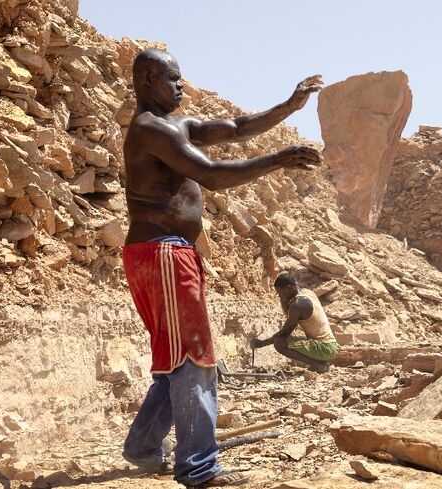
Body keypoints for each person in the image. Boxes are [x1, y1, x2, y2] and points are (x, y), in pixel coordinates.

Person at [120, 48, 322, 488]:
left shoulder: (174, 125)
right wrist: (278, 159)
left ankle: (143, 447)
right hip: (163, 253)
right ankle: (198, 468)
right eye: (173, 79)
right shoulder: (151, 128)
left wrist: (289, 106)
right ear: (149, 79)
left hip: (161, 253)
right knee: (195, 359)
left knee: (177, 358)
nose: (181, 86)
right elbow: (211, 174)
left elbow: (236, 128)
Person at [250, 273, 338, 373]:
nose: (279, 296)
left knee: (279, 343)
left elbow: (285, 333)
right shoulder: (307, 293)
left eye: (280, 292)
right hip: (330, 345)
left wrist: (261, 344)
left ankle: (318, 365)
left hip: (324, 348)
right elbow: (289, 314)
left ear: (288, 288)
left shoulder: (297, 305)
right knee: (288, 341)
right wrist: (284, 299)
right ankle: (320, 362)